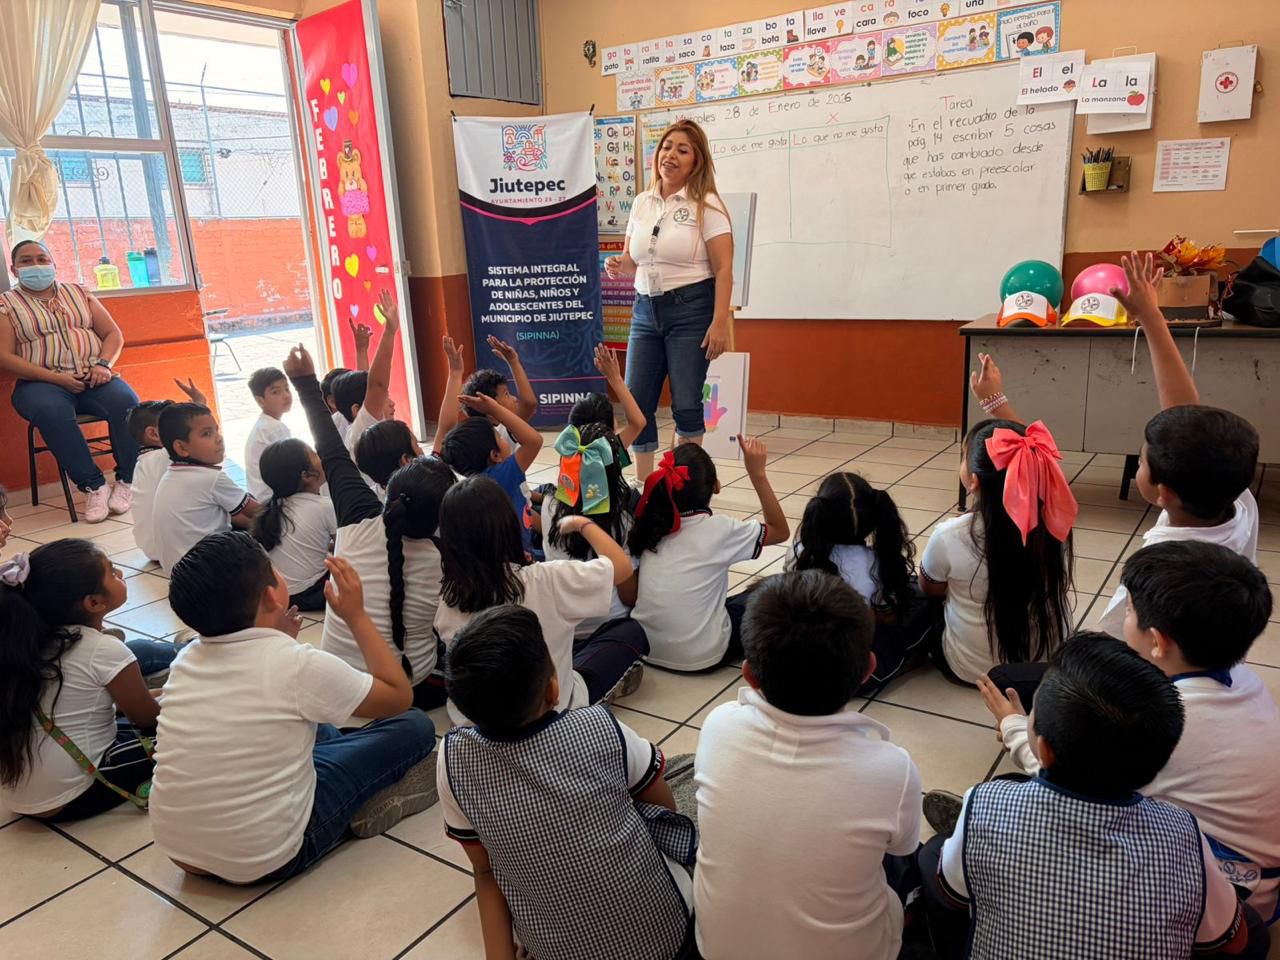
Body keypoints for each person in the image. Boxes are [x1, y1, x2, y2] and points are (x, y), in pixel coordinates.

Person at [983, 541, 1280, 924]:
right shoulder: (1244, 680)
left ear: (1157, 641)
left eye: (1128, 609)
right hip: (1251, 873)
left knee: (1031, 792)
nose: (1123, 615)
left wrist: (1013, 728)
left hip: (1222, 895)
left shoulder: (1164, 719)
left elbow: (1070, 774)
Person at [920, 636, 1268, 960]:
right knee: (1250, 929)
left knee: (934, 855)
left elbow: (950, 894)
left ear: (1043, 749)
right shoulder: (1183, 832)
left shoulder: (986, 800)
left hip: (998, 831)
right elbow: (1234, 943)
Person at [973, 253, 1261, 642]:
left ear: (1163, 492)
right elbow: (1186, 417)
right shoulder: (1237, 498)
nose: (1138, 464)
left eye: (1141, 462)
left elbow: (1120, 644)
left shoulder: (1159, 563)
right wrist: (1151, 317)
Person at [151, 533, 437, 884]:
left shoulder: (185, 660)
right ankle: (369, 800)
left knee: (309, 724)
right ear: (271, 595)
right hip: (268, 857)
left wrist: (279, 639)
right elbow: (398, 696)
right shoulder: (299, 665)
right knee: (414, 726)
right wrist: (356, 615)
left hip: (182, 854)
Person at [439, 605, 696, 960]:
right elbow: (664, 809)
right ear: (554, 688)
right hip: (669, 936)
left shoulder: (453, 760)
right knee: (688, 773)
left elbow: (484, 870)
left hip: (553, 950)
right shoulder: (599, 726)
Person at [693, 571, 921, 960]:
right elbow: (902, 847)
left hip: (716, 949)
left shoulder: (719, 724)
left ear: (749, 675)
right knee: (912, 861)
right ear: (868, 670)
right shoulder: (892, 769)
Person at [285, 343, 455, 709]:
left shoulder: (356, 517)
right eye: (417, 447)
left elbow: (330, 449)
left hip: (339, 680)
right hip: (411, 686)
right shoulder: (447, 555)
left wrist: (305, 383)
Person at [435, 476, 643, 723]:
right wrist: (583, 524)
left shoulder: (448, 598)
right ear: (510, 526)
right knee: (629, 631)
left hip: (474, 720)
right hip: (552, 711)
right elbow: (621, 568)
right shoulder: (546, 579)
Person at [0, 539, 179, 820]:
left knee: (136, 675)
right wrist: (175, 696)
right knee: (185, 730)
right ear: (94, 602)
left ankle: (181, 657)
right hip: (74, 794)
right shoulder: (102, 650)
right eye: (112, 571)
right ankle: (188, 653)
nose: (120, 573)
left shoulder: (29, 641)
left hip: (23, 793)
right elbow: (148, 718)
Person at [605, 119, 735, 479]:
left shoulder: (707, 204)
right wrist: (619, 264)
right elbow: (633, 260)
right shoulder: (642, 202)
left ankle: (686, 485)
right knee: (637, 402)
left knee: (687, 404)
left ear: (696, 160)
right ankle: (645, 487)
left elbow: (724, 269)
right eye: (666, 147)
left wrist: (719, 322)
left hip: (691, 310)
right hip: (645, 310)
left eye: (682, 150)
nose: (671, 155)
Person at [918, 417, 1076, 690]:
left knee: (917, 598)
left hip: (970, 670)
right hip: (1042, 666)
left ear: (974, 480)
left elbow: (930, 589)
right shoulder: (1054, 524)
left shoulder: (949, 535)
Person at [0, 240, 143, 522]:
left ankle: (127, 480)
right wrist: (56, 378)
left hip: (94, 375)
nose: (36, 265)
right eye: (26, 261)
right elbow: (4, 356)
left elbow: (113, 334)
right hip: (40, 382)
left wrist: (103, 365)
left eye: (42, 259)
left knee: (127, 402)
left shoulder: (79, 293)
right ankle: (94, 486)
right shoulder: (6, 304)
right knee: (51, 411)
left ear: (53, 263)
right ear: (14, 270)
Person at [629, 440, 789, 671]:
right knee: (771, 591)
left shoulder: (650, 525)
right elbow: (780, 531)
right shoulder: (720, 530)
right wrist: (758, 475)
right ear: (716, 487)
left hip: (646, 649)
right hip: (702, 657)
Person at [791, 472, 932, 693]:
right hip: (854, 676)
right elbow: (887, 618)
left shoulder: (800, 553)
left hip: (796, 667)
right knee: (927, 605)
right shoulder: (877, 562)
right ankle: (908, 660)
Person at [542, 420, 648, 695]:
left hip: (560, 626)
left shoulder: (549, 506)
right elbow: (629, 596)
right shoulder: (623, 521)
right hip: (606, 625)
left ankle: (563, 671)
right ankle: (587, 683)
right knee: (636, 632)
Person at [151, 402, 259, 574]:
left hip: (180, 574)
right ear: (181, 447)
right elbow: (257, 511)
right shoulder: (210, 478)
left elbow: (234, 513)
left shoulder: (171, 475)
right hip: (207, 572)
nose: (219, 438)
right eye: (207, 434)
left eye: (217, 430)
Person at [440, 391, 544, 539]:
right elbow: (534, 441)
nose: (504, 440)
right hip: (520, 550)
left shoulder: (471, 488)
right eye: (500, 437)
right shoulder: (502, 474)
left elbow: (524, 506)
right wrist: (494, 409)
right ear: (495, 455)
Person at [252, 438, 336, 612]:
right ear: (306, 475)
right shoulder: (324, 506)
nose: (320, 455)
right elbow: (343, 548)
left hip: (281, 595)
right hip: (313, 593)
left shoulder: (271, 509)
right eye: (314, 454)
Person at [333, 290, 401, 463]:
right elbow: (376, 385)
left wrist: (362, 350)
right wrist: (389, 331)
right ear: (357, 411)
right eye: (383, 398)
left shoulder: (360, 429)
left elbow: (367, 384)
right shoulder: (359, 434)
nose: (392, 403)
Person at [125, 400, 174, 565]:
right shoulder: (165, 456)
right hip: (175, 549)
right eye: (178, 424)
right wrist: (200, 405)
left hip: (152, 550)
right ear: (153, 434)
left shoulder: (146, 461)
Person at [243, 366, 293, 502]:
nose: (286, 395)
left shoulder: (264, 425)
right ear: (260, 401)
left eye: (287, 389)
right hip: (273, 500)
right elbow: (292, 468)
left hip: (260, 497)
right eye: (276, 392)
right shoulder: (274, 428)